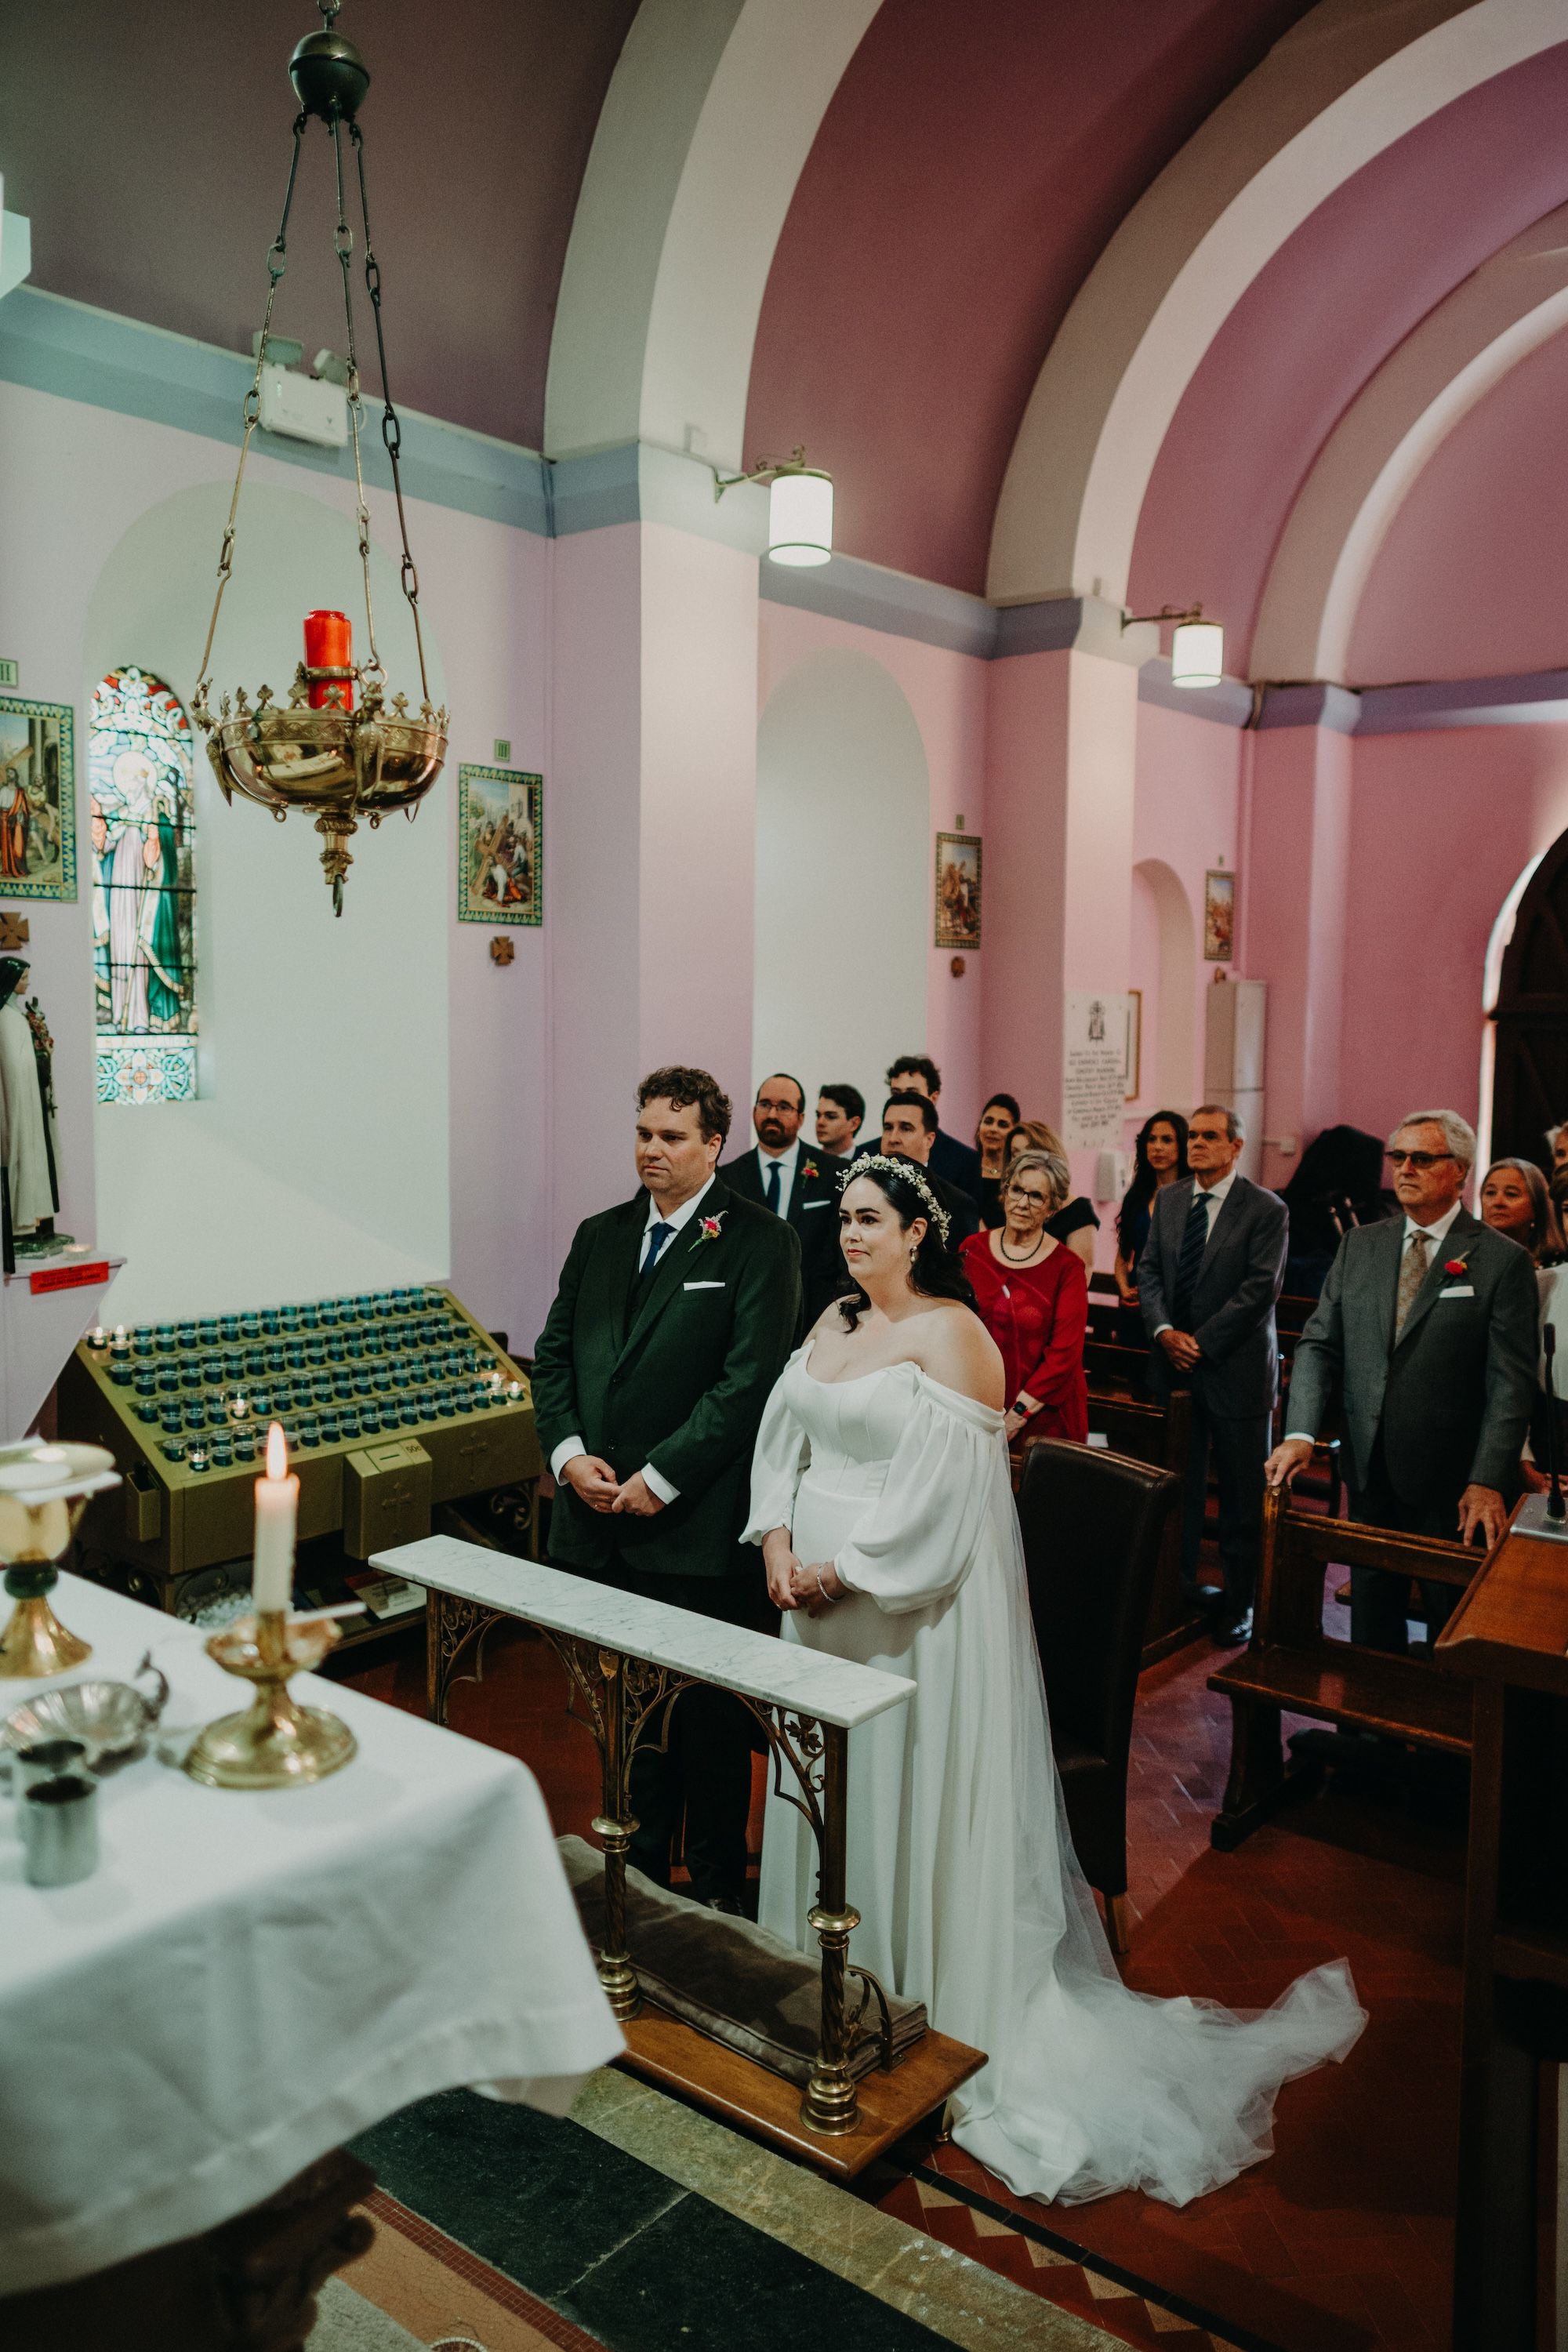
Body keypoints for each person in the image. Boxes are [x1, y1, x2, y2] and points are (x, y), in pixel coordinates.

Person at [745, 1155, 1365, 2209]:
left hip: (907, 1615)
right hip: (810, 1609)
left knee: (900, 1788)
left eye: (870, 1220)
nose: (851, 1236)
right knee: (829, 1789)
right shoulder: (832, 1326)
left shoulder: (956, 1337)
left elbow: (943, 1503)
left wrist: (841, 1569)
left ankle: (921, 2000)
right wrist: (775, 1545)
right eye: (843, 1219)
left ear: (916, 1234)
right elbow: (783, 1442)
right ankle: (827, 1995)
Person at [532, 1065, 801, 1909]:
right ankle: (640, 1896)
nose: (652, 1149)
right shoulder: (600, 1233)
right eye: (644, 1133)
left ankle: (721, 1904)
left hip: (693, 1534)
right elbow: (553, 1355)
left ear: (714, 1144)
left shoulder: (758, 1240)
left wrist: (662, 1475)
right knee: (630, 1737)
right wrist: (569, 1455)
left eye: (672, 1136)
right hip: (599, 1525)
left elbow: (748, 1380)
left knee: (708, 1735)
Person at [1266, 1109, 1538, 1653]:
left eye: (1422, 1158)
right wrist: (1299, 1433)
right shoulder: (1361, 1244)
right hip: (1368, 1467)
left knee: (1452, 1624)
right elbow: (1320, 1344)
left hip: (1452, 1479)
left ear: (1459, 1172)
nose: (1405, 1168)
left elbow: (1511, 1383)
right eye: (1398, 1157)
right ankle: (1367, 1738)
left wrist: (1487, 1478)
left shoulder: (1501, 1261)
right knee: (1372, 1614)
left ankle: (1444, 1737)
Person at [1138, 1104, 1287, 1646]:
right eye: (1192, 1135)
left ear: (1235, 1146)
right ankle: (1177, 1587)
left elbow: (1259, 1289)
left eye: (1208, 1136)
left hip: (1235, 1369)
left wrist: (1200, 1344)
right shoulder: (1173, 1199)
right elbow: (1149, 1270)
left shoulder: (1265, 1209)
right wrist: (1163, 1332)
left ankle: (1242, 1601)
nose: (1196, 1144)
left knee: (1243, 1497)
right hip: (1173, 1365)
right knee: (1181, 1483)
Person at [960, 1146, 1087, 1460]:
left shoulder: (1067, 1267)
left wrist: (1016, 1415)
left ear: (1052, 1207)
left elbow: (1065, 1354)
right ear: (1005, 1192)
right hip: (976, 1401)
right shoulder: (971, 1249)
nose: (1022, 1203)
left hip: (1041, 1412)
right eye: (1016, 1190)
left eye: (1036, 1196)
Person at [722, 1073, 843, 1326]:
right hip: (745, 1316)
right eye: (765, 1105)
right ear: (755, 1111)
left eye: (784, 1107)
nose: (773, 1114)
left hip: (816, 1315)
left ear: (801, 1118)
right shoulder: (727, 1178)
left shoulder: (834, 1173)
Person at [1479, 1156, 1566, 1494]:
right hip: (1515, 1425)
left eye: (1512, 1193)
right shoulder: (1463, 1261)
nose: (1498, 1201)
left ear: (1537, 1208)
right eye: (1490, 1192)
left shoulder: (1548, 1273)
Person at [1112, 1111, 1189, 1341]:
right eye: (1151, 1139)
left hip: (1177, 1306)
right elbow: (1123, 1253)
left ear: (1182, 1145)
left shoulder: (1192, 1196)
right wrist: (1124, 1288)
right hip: (1137, 1303)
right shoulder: (1137, 1197)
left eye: (1167, 1140)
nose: (1157, 1147)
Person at [0, 959, 60, 1246]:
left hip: (28, 1097)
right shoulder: (5, 1018)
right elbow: (12, 1064)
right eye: (24, 978)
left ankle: (30, 1218)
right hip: (17, 1100)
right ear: (11, 980)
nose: (27, 982)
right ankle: (17, 1222)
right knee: (19, 1153)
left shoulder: (16, 1015)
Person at [881, 1091, 980, 1243]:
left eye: (906, 1128)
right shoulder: (860, 1189)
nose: (893, 1138)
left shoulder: (957, 1204)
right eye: (888, 1128)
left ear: (929, 1140)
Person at [886, 1054, 984, 1207]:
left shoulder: (963, 1160)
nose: (903, 1100)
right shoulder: (867, 1151)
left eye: (912, 1092)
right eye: (896, 1093)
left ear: (933, 1097)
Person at [1005, 1119, 1098, 1273]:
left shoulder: (1078, 1211)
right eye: (1015, 1153)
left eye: (1029, 1151)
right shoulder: (1013, 1205)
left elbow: (1080, 1275)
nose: (1022, 1159)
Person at [974, 1090, 1022, 1227]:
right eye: (988, 1122)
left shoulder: (1018, 1178)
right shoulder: (964, 1170)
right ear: (979, 1127)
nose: (993, 1129)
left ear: (1014, 1132)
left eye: (1002, 1124)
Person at [815, 1082, 865, 1161]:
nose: (820, 1122)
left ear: (854, 1124)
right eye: (818, 1115)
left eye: (831, 1117)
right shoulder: (805, 1162)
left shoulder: (868, 1165)